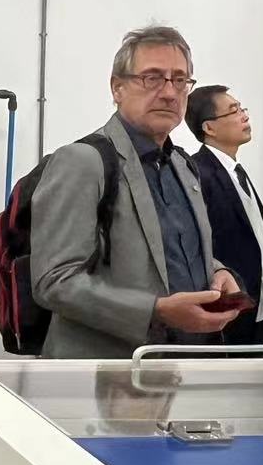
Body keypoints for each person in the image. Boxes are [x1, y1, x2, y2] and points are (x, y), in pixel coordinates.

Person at [31, 25, 244, 357]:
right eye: (152, 78)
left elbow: (169, 248)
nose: (169, 93)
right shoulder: (83, 161)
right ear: (117, 87)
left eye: (179, 80)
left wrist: (217, 271)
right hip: (106, 373)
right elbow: (54, 281)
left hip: (183, 367)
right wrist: (155, 311)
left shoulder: (182, 166)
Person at [186, 85, 263, 345]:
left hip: (256, 312)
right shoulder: (197, 173)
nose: (244, 116)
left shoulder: (236, 172)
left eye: (242, 108)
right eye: (233, 111)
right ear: (209, 127)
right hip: (226, 316)